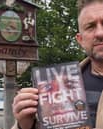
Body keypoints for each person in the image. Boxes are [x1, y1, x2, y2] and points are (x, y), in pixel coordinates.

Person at [12, 0, 103, 129]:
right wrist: (25, 125)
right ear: (80, 40)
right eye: (90, 26)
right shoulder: (55, 88)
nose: (100, 33)